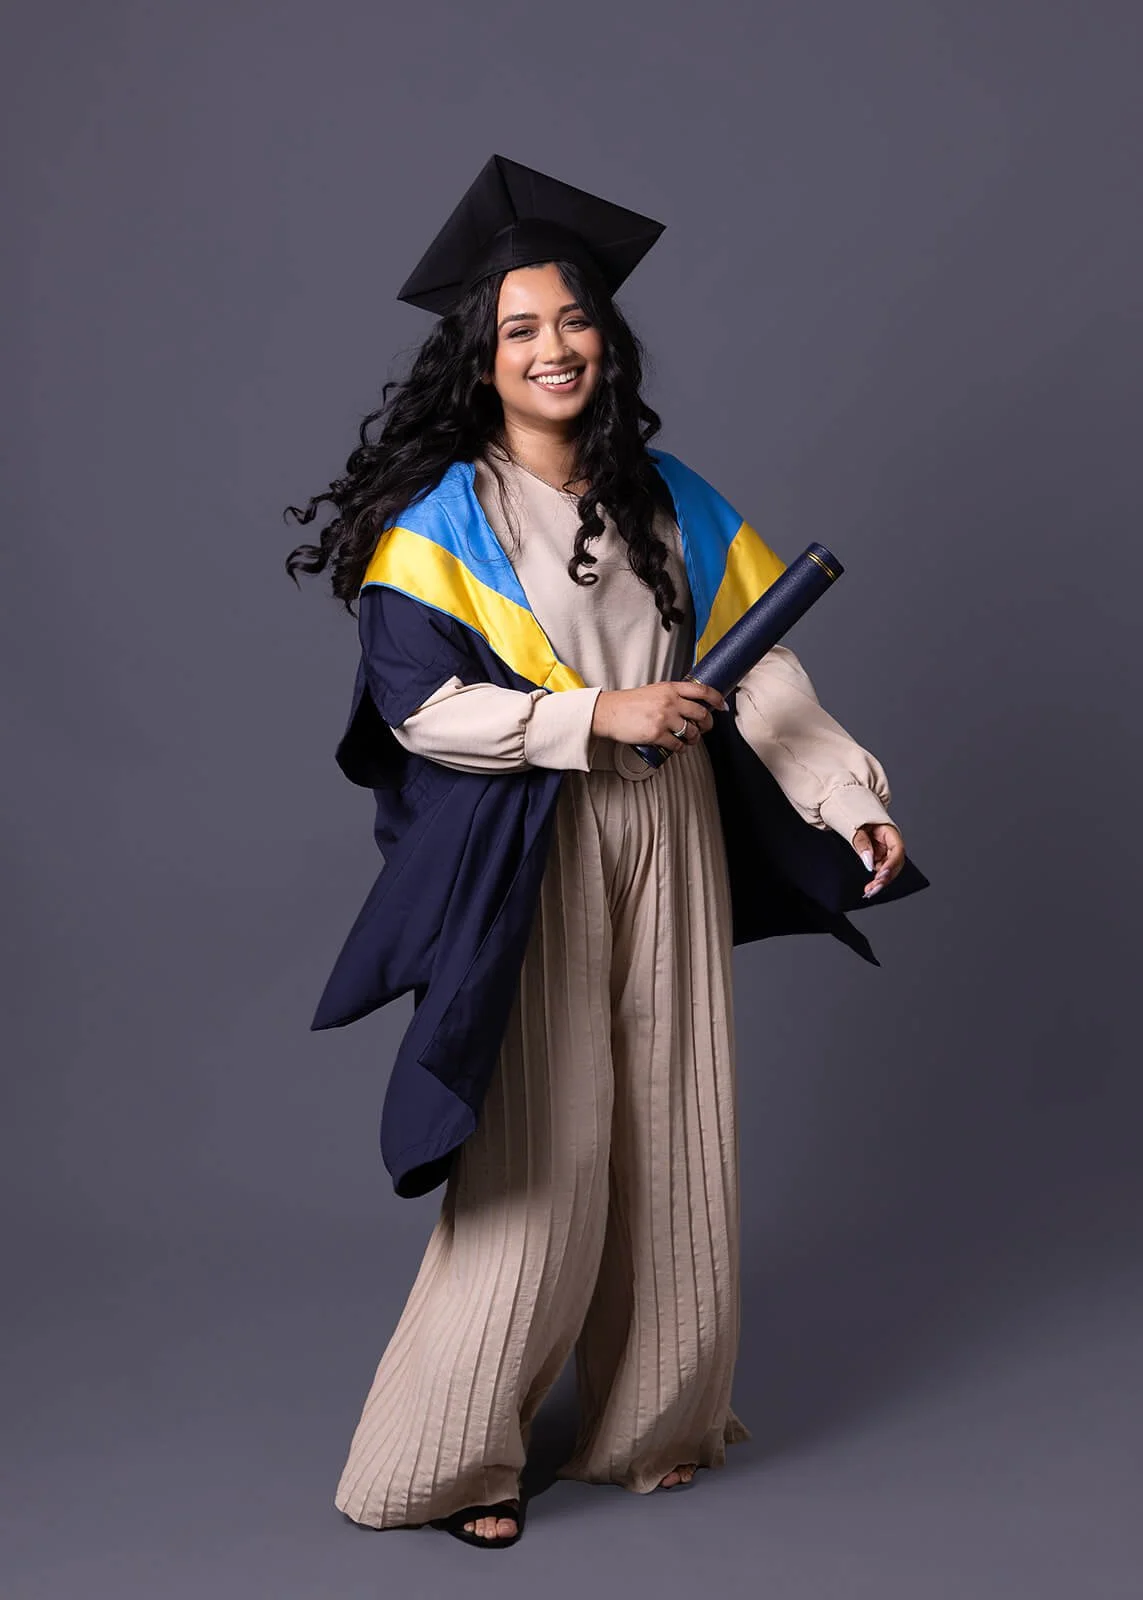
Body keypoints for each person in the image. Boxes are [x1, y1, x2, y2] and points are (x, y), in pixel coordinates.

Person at [285, 155, 927, 1549]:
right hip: (542, 838)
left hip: (673, 826)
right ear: (481, 357)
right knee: (542, 1145)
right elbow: (425, 712)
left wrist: (845, 800)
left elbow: (767, 679)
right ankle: (458, 1458)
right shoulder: (439, 526)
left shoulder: (667, 497)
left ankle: (654, 1418)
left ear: (604, 337)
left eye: (571, 320)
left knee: (674, 1111)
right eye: (519, 328)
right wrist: (598, 712)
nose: (554, 346)